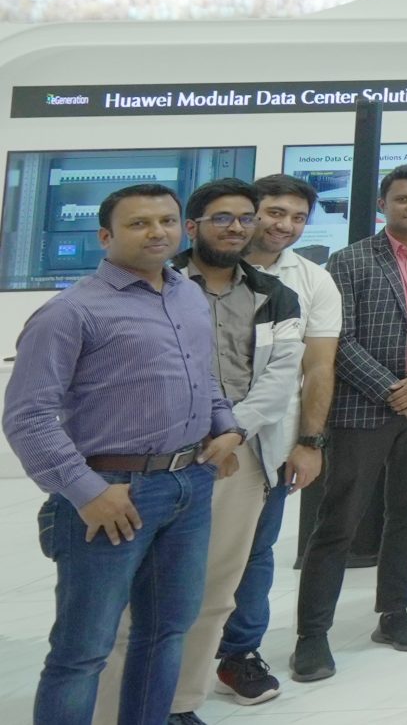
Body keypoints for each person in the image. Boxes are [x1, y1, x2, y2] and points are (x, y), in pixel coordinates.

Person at [7, 183, 248, 723]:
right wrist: (86, 493)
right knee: (82, 651)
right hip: (113, 495)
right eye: (139, 223)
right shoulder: (70, 312)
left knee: (166, 631)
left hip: (189, 483)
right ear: (105, 236)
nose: (156, 232)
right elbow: (28, 417)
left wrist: (226, 426)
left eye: (166, 221)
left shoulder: (186, 294)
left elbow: (202, 375)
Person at [88, 179, 301, 723]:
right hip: (162, 457)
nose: (236, 228)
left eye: (246, 218)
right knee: (137, 601)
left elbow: (282, 376)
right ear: (194, 226)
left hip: (239, 454)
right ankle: (118, 711)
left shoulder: (276, 294)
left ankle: (180, 705)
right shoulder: (164, 286)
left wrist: (233, 431)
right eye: (222, 218)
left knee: (214, 593)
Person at [290, 166, 407, 681]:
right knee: (339, 521)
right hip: (365, 407)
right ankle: (312, 635)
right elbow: (336, 338)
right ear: (383, 204)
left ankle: (394, 614)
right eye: (403, 198)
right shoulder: (349, 260)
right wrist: (391, 388)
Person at [217, 175, 340, 702]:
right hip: (193, 438)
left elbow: (318, 367)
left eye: (297, 217)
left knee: (255, 550)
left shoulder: (312, 281)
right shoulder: (197, 271)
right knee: (184, 550)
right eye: (274, 212)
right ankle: (168, 653)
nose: (284, 225)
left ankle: (239, 653)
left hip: (269, 442)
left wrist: (310, 441)